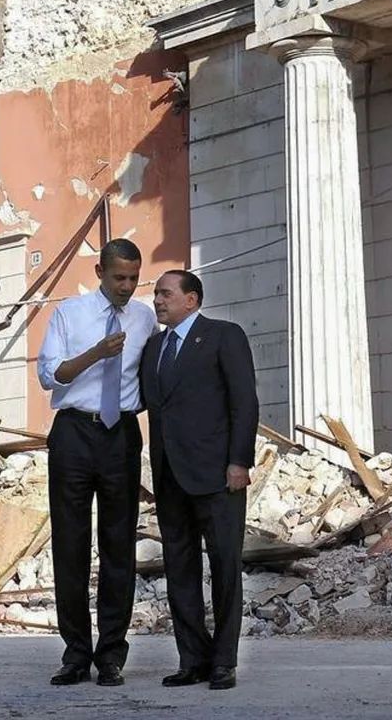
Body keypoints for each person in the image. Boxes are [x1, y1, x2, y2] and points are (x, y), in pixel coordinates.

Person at [37, 237, 158, 687]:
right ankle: (74, 655)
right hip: (73, 431)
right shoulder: (70, 313)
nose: (127, 286)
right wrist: (96, 353)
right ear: (100, 274)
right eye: (119, 278)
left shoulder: (145, 317)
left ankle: (111, 655)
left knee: (118, 545)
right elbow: (50, 374)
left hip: (120, 434)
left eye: (133, 278)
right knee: (70, 544)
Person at [141, 270, 258, 691]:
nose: (157, 300)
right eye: (155, 293)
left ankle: (223, 661)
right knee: (180, 571)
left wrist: (239, 462)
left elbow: (244, 403)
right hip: (170, 477)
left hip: (218, 475)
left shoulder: (224, 336)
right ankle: (192, 659)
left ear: (191, 300)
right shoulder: (153, 347)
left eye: (165, 293)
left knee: (225, 567)